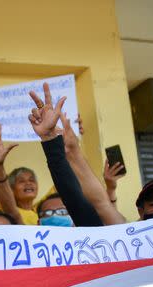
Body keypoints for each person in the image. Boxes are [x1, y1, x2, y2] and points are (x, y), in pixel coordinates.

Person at [26, 84, 103, 227]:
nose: (54, 217)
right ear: (38, 222)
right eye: (47, 214)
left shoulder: (93, 234)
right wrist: (49, 138)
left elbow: (75, 198)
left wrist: (52, 140)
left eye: (62, 211)